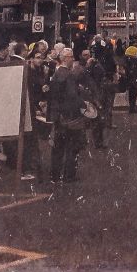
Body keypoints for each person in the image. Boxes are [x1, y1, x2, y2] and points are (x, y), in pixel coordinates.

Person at [47, 46, 86, 184]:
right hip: (70, 116)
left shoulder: (57, 74)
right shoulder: (70, 75)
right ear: (65, 59)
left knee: (58, 147)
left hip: (58, 116)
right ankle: (69, 175)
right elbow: (72, 96)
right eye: (71, 57)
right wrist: (83, 104)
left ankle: (55, 175)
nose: (73, 59)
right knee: (72, 147)